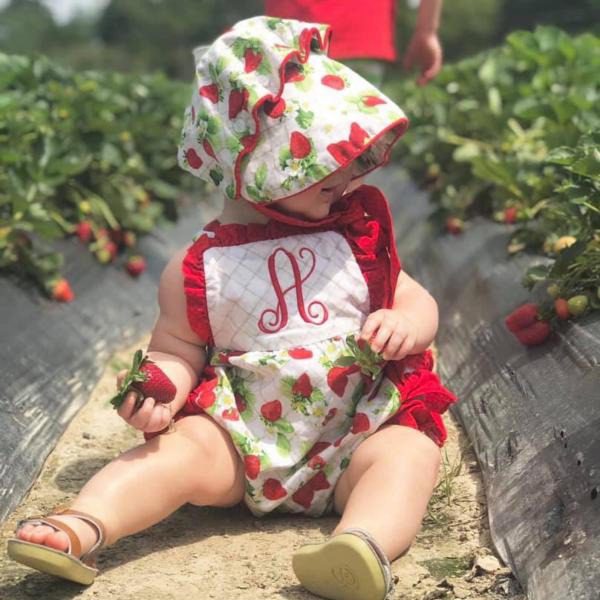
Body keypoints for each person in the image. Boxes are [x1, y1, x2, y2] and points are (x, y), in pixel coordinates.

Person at [7, 16, 456, 600]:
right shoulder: (198, 267)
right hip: (243, 444)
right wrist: (159, 389)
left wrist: (406, 323)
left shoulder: (356, 233)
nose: (345, 172)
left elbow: (413, 297)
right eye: (321, 162)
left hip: (358, 431)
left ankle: (361, 544)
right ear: (258, 168)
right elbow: (176, 349)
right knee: (176, 452)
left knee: (408, 453)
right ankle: (85, 524)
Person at [265, 0, 444, 86]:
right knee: (358, 140)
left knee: (291, 140)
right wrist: (426, 30)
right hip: (362, 32)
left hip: (293, 31)